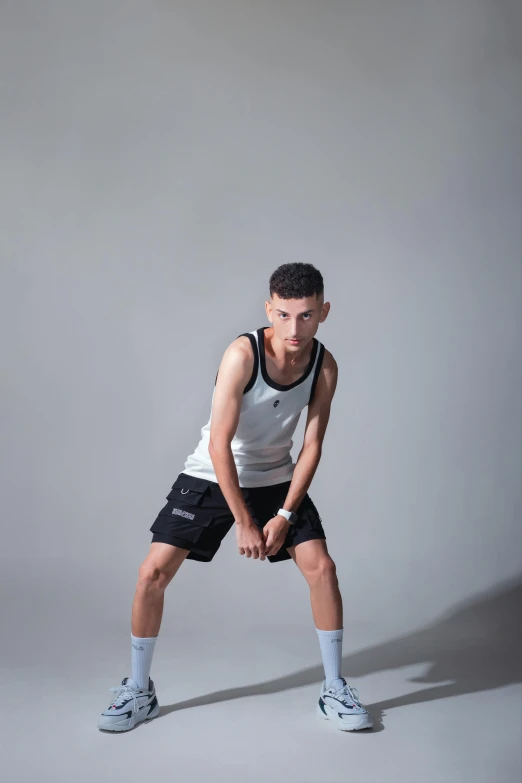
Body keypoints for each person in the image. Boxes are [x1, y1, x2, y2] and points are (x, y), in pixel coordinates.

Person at [98, 262, 373, 733]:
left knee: (323, 569)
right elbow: (218, 442)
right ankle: (139, 691)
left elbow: (312, 445)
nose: (294, 327)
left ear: (323, 312)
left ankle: (334, 688)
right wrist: (244, 521)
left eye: (306, 315)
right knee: (152, 573)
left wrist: (285, 512)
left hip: (276, 477)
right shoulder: (242, 355)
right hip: (212, 473)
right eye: (284, 315)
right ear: (269, 309)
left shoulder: (324, 364)